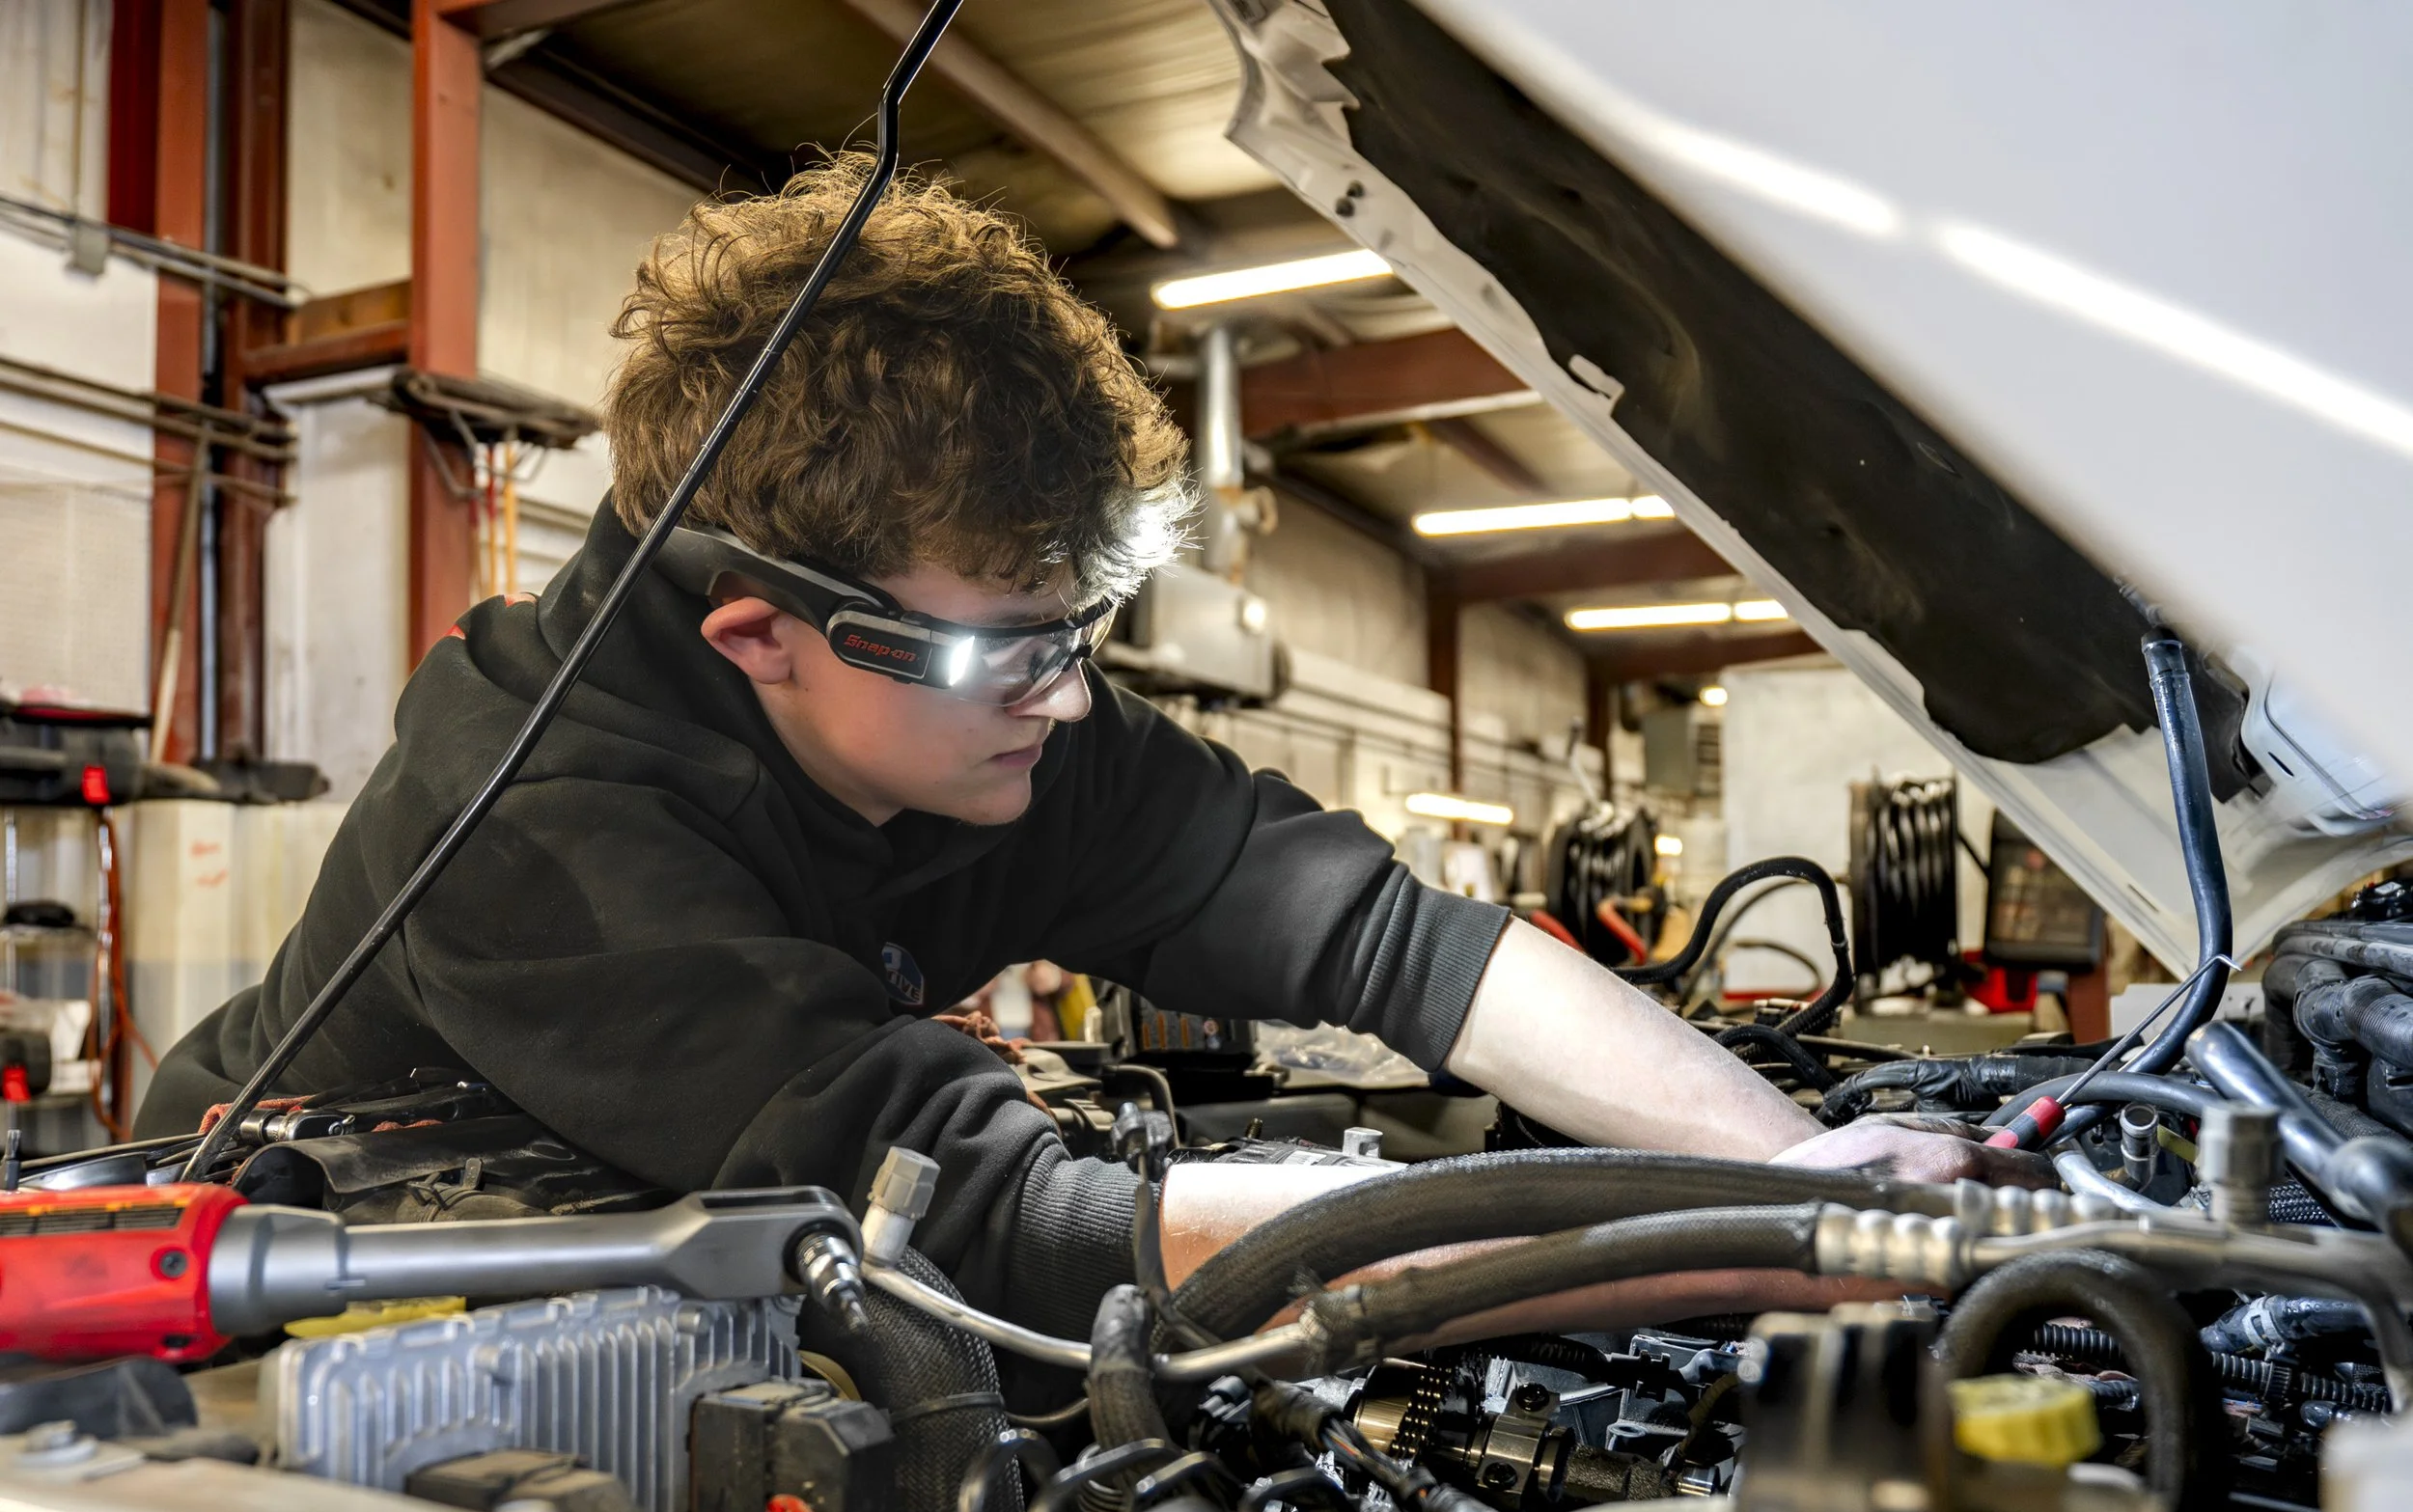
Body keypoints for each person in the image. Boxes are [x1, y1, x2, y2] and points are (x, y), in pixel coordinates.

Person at [138, 157, 2038, 1340]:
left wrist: (1803, 1162)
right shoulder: (536, 836)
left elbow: (1394, 940)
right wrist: (1712, 1244)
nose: (1063, 696)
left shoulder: (1004, 723)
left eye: (1081, 631)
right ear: (760, 633)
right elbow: (1010, 1223)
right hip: (278, 1348)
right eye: (1009, 648)